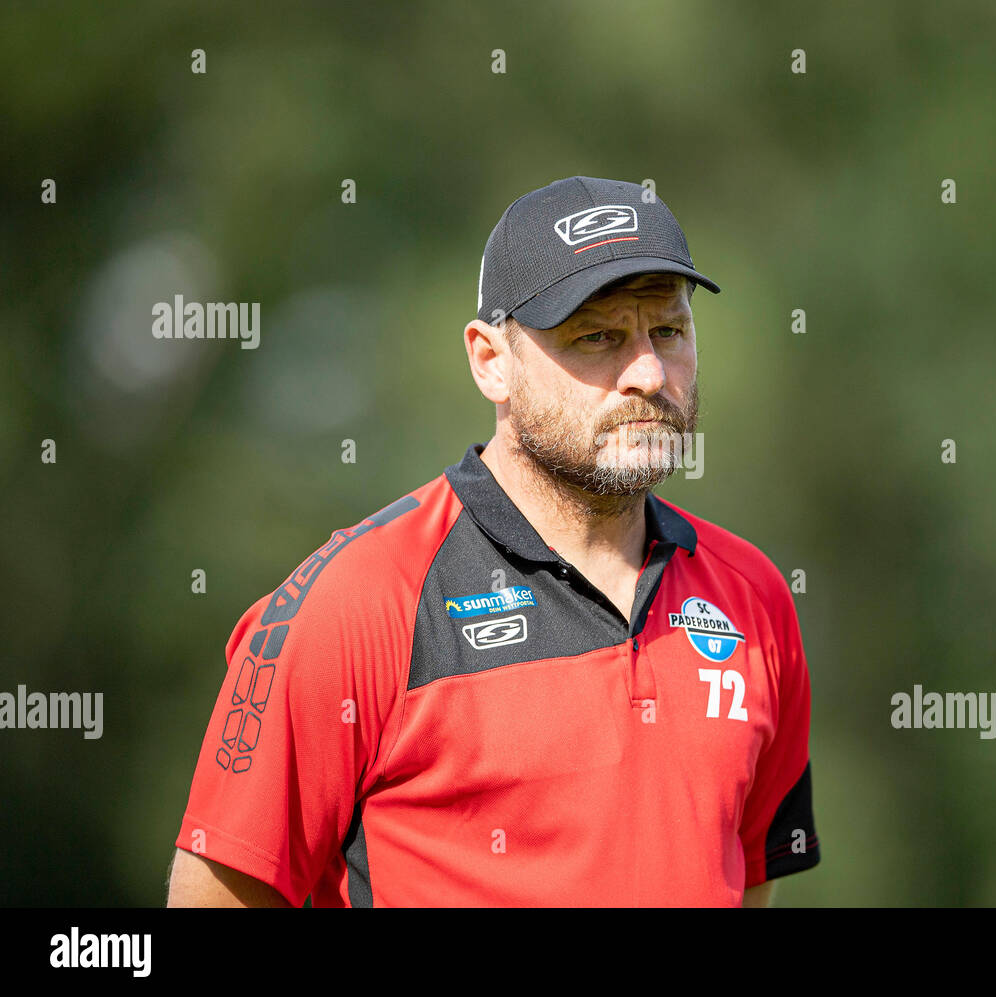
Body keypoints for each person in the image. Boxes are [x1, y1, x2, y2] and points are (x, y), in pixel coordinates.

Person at [167, 176, 821, 907]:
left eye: (667, 330)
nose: (646, 372)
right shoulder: (359, 602)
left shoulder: (756, 598)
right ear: (490, 360)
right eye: (598, 336)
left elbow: (746, 882)